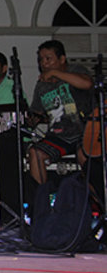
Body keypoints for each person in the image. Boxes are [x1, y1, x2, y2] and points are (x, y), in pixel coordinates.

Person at [27, 40, 93, 185]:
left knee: (84, 154)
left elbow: (87, 83)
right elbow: (37, 113)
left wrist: (55, 72)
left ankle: (96, 201)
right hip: (59, 135)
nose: (43, 63)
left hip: (83, 131)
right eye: (41, 60)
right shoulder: (42, 85)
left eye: (48, 58)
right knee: (35, 153)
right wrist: (32, 119)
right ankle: (41, 202)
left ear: (62, 59)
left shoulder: (76, 70)